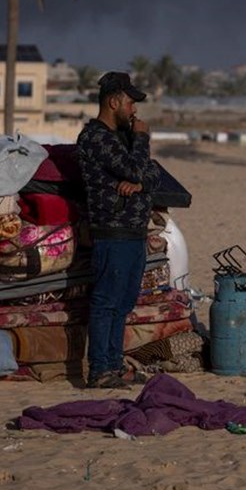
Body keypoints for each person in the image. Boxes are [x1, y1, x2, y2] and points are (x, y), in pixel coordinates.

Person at [76, 72, 160, 389]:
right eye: (130, 103)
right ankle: (100, 369)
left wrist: (139, 183)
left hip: (132, 233)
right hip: (112, 232)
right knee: (106, 302)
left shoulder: (121, 141)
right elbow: (139, 167)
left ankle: (114, 364)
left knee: (123, 303)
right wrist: (142, 141)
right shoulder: (96, 138)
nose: (134, 111)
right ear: (114, 101)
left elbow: (153, 173)